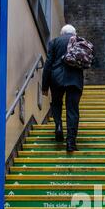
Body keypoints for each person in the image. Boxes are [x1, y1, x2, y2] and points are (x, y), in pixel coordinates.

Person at [42, 24, 84, 152]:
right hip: (75, 80)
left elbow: (48, 64)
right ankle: (70, 142)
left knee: (56, 103)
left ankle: (58, 125)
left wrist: (45, 85)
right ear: (74, 33)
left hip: (57, 78)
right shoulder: (79, 41)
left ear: (62, 33)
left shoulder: (54, 42)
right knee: (72, 110)